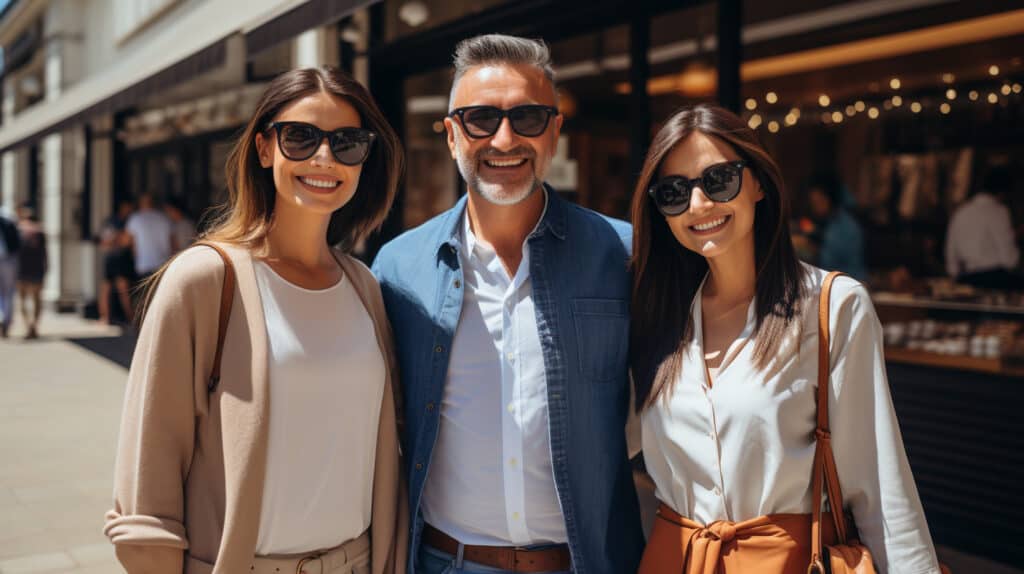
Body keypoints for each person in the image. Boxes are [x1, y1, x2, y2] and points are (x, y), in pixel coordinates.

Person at [104, 67, 407, 574]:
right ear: (265, 149)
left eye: (347, 143)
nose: (324, 157)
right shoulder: (203, 279)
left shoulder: (363, 286)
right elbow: (148, 478)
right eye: (301, 137)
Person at [373, 34, 644, 574]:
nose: (504, 139)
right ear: (452, 136)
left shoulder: (623, 255)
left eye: (528, 118)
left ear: (555, 133)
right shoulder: (398, 268)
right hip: (445, 563)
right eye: (480, 119)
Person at [630, 104, 941, 574]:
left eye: (718, 180)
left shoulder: (833, 306)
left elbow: (877, 482)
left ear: (758, 183)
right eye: (674, 193)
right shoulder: (657, 317)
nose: (698, 205)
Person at [945, 166, 1021, 289]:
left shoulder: (961, 211)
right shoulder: (998, 211)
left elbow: (951, 257)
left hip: (965, 279)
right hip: (995, 279)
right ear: (1003, 192)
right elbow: (1009, 259)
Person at [807, 172, 867, 281]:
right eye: (813, 203)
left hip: (848, 282)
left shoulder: (846, 227)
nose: (815, 207)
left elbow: (829, 262)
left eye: (819, 202)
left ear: (830, 199)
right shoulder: (827, 223)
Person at [98, 199, 136, 324]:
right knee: (114, 287)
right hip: (116, 257)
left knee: (118, 288)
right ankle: (108, 317)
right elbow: (106, 242)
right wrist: (118, 239)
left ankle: (124, 317)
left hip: (118, 257)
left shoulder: (127, 221)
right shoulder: (118, 222)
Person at [15, 204, 47, 340]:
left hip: (21, 270)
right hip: (37, 270)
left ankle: (28, 326)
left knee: (22, 300)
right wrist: (46, 268)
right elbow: (45, 254)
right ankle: (33, 326)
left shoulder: (18, 230)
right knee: (36, 300)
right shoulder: (40, 232)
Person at [124, 193, 173, 281]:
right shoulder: (164, 218)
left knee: (145, 293)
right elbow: (173, 243)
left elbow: (127, 241)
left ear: (140, 203)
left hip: (144, 264)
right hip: (163, 263)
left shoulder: (135, 219)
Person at [0, 210, 19, 339]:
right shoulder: (8, 216)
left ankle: (3, 318)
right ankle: (5, 319)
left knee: (5, 292)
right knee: (8, 292)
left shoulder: (7, 216)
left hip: (8, 258)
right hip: (8, 259)